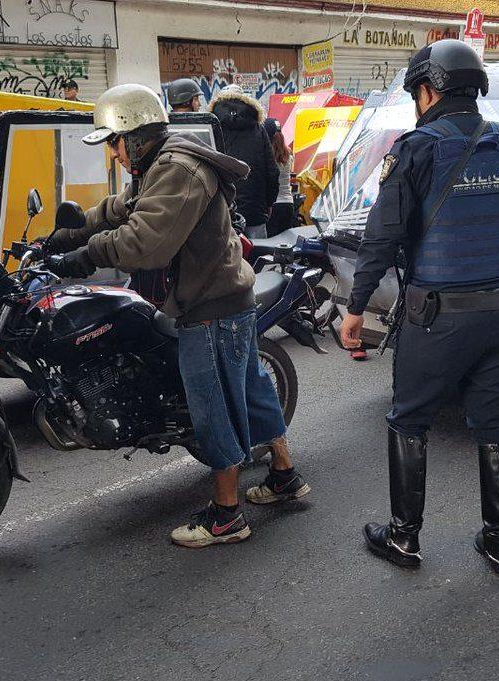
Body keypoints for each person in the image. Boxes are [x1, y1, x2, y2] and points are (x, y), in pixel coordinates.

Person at [44, 84, 311, 547]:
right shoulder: (161, 165)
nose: (113, 154)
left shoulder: (177, 169)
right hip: (228, 298)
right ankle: (284, 475)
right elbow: (124, 207)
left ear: (136, 136)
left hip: (208, 307)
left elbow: (146, 243)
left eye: (114, 142)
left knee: (214, 408)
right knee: (251, 390)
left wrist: (87, 254)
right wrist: (72, 230)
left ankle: (227, 515)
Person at [340, 39, 499, 576]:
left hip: (436, 317)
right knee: (496, 423)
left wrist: (355, 308)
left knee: (410, 419)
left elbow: (381, 239)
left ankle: (404, 538)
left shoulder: (416, 148)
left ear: (427, 88)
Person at [210, 88, 278, 238]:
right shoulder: (258, 129)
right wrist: (269, 202)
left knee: (225, 257)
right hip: (255, 209)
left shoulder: (212, 128)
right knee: (258, 254)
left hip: (223, 210)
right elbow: (272, 171)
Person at [263, 118, 295, 236]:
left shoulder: (266, 156)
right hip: (288, 203)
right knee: (285, 243)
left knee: (270, 245)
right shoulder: (289, 155)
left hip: (272, 205)